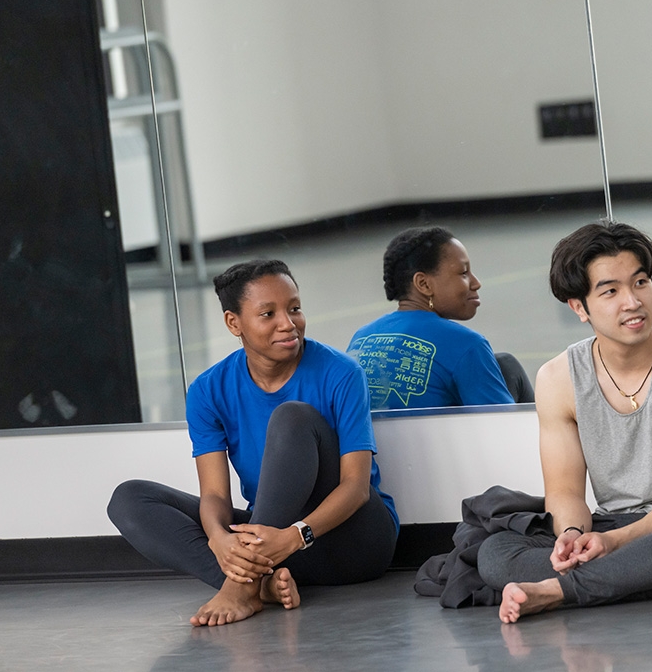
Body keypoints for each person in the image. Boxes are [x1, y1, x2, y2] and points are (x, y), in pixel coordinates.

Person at [476, 221, 652, 623]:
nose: (633, 301)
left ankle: (557, 591)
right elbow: (564, 491)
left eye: (641, 282)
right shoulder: (558, 378)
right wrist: (573, 536)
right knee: (495, 553)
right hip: (615, 524)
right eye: (610, 291)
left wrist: (614, 542)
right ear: (579, 307)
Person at [107, 259, 398, 627]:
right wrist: (218, 539)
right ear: (234, 323)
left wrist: (294, 536)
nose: (288, 323)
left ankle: (241, 588)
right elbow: (215, 496)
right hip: (273, 543)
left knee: (293, 417)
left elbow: (356, 488)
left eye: (294, 308)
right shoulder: (208, 390)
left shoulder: (341, 373)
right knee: (130, 498)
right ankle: (261, 587)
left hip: (352, 539)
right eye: (268, 313)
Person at [347, 226, 534, 409]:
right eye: (463, 273)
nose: (476, 283)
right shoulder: (466, 344)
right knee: (506, 365)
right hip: (439, 440)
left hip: (371, 441)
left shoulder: (361, 338)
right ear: (424, 284)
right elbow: (501, 428)